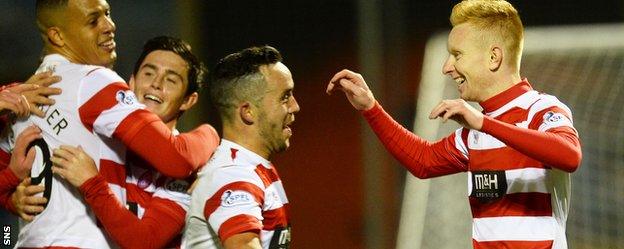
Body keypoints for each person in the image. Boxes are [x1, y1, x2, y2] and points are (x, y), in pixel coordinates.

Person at [326, 0, 582, 248]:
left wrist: (483, 123)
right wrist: (370, 107)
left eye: (457, 55)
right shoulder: (474, 134)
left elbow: (569, 155)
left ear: (494, 57)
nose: (447, 67)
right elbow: (423, 160)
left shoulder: (541, 109)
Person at [9, 1, 219, 248]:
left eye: (107, 14)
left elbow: (145, 240)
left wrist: (10, 201)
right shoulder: (95, 82)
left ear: (189, 100)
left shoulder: (20, 98)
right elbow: (177, 157)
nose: (110, 25)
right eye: (93, 20)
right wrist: (211, 132)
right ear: (129, 82)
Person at [182, 45, 299, 249]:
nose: (295, 106)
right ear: (248, 112)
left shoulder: (249, 166)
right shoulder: (234, 175)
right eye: (285, 97)